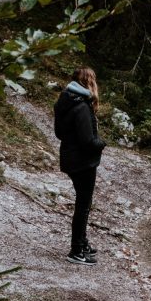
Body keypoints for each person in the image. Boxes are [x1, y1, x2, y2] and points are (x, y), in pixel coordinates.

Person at [53, 67, 106, 265]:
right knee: (83, 206)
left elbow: (59, 133)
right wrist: (102, 143)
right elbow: (88, 142)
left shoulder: (66, 100)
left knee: (83, 203)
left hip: (71, 159)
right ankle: (76, 250)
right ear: (89, 82)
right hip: (83, 162)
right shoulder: (82, 106)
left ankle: (82, 243)